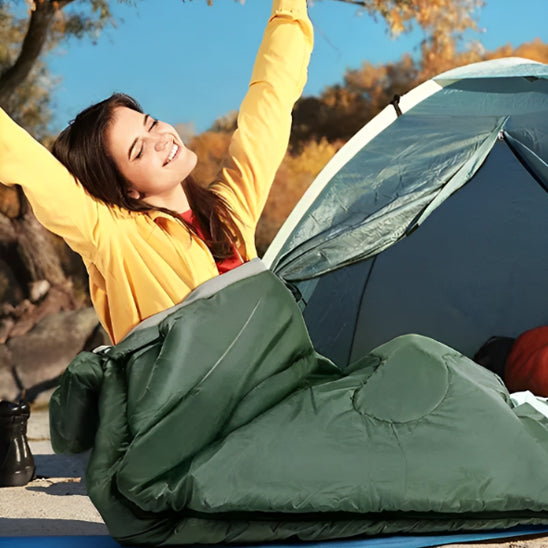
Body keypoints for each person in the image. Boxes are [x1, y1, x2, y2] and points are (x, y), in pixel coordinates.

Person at [0, 0, 313, 344]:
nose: (160, 139)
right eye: (138, 149)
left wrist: (290, 9)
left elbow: (270, 101)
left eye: (150, 124)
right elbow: (25, 160)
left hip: (281, 385)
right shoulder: (114, 238)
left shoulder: (228, 210)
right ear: (126, 190)